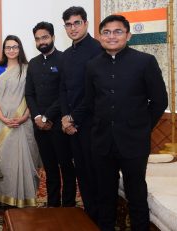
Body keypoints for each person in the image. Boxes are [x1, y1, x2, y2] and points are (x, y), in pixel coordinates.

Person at [73, 15, 168, 231]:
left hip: (134, 142)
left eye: (117, 31)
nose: (112, 36)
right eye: (106, 32)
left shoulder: (145, 61)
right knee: (105, 196)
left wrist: (142, 127)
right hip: (102, 142)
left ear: (128, 35)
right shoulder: (92, 66)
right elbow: (89, 101)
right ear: (100, 36)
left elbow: (160, 101)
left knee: (136, 195)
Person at [25, 22, 76, 207]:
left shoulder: (65, 59)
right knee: (50, 168)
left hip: (60, 124)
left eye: (45, 37)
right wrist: (37, 117)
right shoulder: (33, 63)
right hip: (40, 125)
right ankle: (53, 204)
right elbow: (29, 94)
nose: (41, 41)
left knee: (66, 167)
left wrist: (47, 117)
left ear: (53, 37)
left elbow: (65, 93)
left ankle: (69, 205)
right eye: (38, 39)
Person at [59, 6, 102, 221]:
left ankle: (103, 221)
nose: (73, 28)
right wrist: (66, 118)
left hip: (93, 124)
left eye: (77, 23)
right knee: (82, 174)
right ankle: (89, 217)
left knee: (98, 175)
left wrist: (73, 117)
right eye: (68, 24)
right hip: (72, 126)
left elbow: (94, 91)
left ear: (85, 23)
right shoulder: (66, 55)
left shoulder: (98, 48)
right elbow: (64, 89)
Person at [0, 35, 40, 207]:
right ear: (3, 50)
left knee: (28, 158)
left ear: (20, 49)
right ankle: (5, 197)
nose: (11, 50)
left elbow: (32, 94)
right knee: (4, 160)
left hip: (24, 121)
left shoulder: (28, 68)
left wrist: (26, 115)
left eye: (15, 47)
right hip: (2, 122)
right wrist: (2, 117)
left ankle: (27, 196)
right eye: (8, 47)